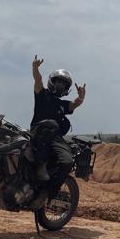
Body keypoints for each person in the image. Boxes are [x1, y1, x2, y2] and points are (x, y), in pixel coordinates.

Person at [30, 55, 86, 209]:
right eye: (58, 81)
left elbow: (74, 104)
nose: (60, 85)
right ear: (52, 81)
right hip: (38, 134)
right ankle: (40, 165)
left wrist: (81, 97)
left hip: (55, 139)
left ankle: (46, 194)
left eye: (63, 84)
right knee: (50, 124)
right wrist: (35, 68)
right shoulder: (42, 94)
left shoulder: (62, 104)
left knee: (67, 162)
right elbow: (38, 81)